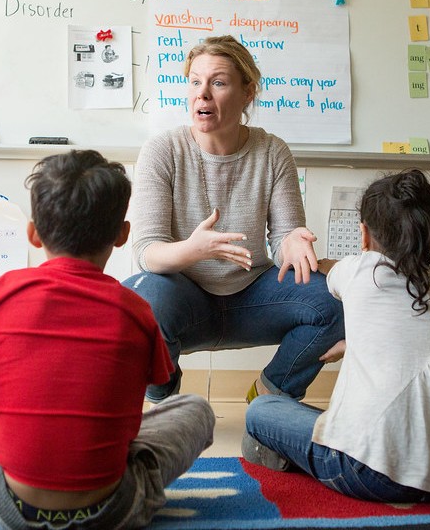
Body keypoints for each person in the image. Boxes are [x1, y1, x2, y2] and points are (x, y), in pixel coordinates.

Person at [0, 150, 215, 529]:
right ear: (122, 235)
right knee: (196, 410)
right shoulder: (135, 310)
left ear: (34, 233)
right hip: (113, 509)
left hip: (7, 506)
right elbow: (149, 390)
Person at [243, 169, 430, 502]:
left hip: (370, 473)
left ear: (363, 236)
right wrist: (354, 343)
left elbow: (326, 270)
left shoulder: (360, 270)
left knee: (263, 410)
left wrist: (298, 246)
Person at [124, 34, 344, 403]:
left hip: (253, 297)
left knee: (335, 301)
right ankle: (164, 402)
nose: (202, 94)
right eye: (195, 81)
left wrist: (291, 241)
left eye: (218, 82)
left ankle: (269, 394)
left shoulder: (272, 150)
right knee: (140, 302)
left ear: (247, 93)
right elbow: (147, 252)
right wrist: (194, 250)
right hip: (184, 299)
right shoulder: (162, 150)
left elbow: (285, 236)